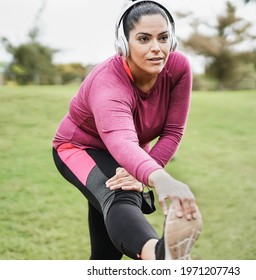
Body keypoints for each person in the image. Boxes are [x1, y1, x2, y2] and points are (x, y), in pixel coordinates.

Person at [52, 0, 202, 260]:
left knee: (106, 257)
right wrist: (160, 179)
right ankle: (158, 256)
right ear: (124, 44)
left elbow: (173, 131)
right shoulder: (108, 84)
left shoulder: (178, 68)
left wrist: (143, 173)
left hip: (131, 152)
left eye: (163, 38)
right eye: (143, 39)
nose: (157, 48)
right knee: (121, 193)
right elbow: (120, 141)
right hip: (81, 148)